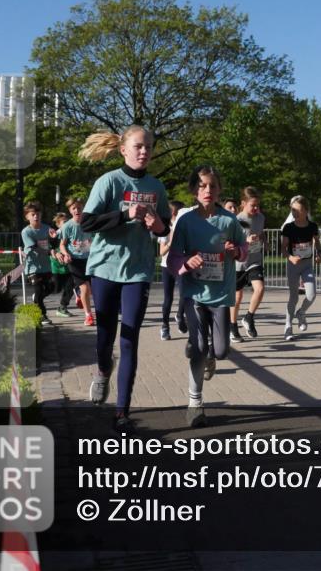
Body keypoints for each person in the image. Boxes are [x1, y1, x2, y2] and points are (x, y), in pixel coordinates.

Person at [79, 125, 170, 433]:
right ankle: (103, 370)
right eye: (138, 146)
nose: (144, 151)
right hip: (105, 269)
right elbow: (87, 223)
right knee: (105, 339)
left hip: (138, 272)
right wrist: (126, 214)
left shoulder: (157, 187)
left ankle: (122, 411)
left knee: (129, 339)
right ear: (123, 150)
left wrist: (157, 225)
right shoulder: (109, 181)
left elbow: (164, 227)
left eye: (149, 147)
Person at [167, 166, 247, 427]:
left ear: (219, 189)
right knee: (199, 348)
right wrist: (186, 262)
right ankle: (195, 404)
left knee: (221, 351)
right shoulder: (186, 221)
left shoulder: (229, 221)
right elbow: (172, 258)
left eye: (212, 185)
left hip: (220, 293)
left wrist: (236, 251)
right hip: (194, 293)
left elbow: (243, 247)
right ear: (194, 190)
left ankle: (211, 356)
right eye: (202, 186)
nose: (207, 190)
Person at [281, 195, 321, 341]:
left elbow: (317, 242)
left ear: (305, 211)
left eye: (297, 210)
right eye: (293, 210)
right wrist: (290, 257)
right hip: (293, 265)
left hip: (307, 265)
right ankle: (288, 326)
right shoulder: (288, 227)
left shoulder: (312, 226)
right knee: (294, 296)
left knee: (311, 295)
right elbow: (283, 248)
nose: (294, 213)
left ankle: (301, 312)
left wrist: (319, 254)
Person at [231, 186, 266, 341]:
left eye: (258, 205)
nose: (256, 208)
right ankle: (233, 327)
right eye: (253, 205)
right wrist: (246, 240)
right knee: (237, 297)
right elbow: (231, 242)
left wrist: (264, 240)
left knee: (260, 288)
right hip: (239, 263)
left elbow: (261, 232)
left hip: (254, 260)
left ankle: (249, 317)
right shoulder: (236, 220)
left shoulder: (260, 217)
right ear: (243, 203)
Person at [59, 198, 96, 327]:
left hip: (89, 259)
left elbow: (95, 239)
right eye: (73, 208)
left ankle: (80, 295)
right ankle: (88, 315)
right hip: (74, 260)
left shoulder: (89, 223)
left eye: (79, 207)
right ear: (70, 210)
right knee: (85, 287)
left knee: (91, 289)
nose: (77, 210)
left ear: (83, 208)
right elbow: (62, 244)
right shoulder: (67, 226)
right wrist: (66, 254)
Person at [157, 200, 187, 340]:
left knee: (185, 294)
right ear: (175, 212)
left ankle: (180, 315)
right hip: (167, 266)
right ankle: (165, 326)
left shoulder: (185, 228)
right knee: (168, 298)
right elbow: (161, 252)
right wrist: (171, 242)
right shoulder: (165, 228)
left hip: (181, 265)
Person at [21, 204, 54, 321]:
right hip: (33, 267)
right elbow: (35, 247)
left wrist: (55, 237)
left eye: (38, 214)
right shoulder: (26, 232)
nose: (36, 216)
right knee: (39, 290)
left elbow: (54, 240)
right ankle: (42, 315)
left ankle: (37, 298)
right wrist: (50, 252)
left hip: (46, 266)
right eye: (33, 214)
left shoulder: (47, 228)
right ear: (27, 217)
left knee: (51, 288)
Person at [50, 212, 74, 317]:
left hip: (68, 266)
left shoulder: (71, 232)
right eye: (64, 222)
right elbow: (50, 248)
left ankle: (62, 307)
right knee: (56, 289)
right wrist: (56, 253)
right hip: (56, 266)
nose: (67, 224)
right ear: (58, 224)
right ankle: (38, 295)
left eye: (67, 221)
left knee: (70, 288)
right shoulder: (55, 235)